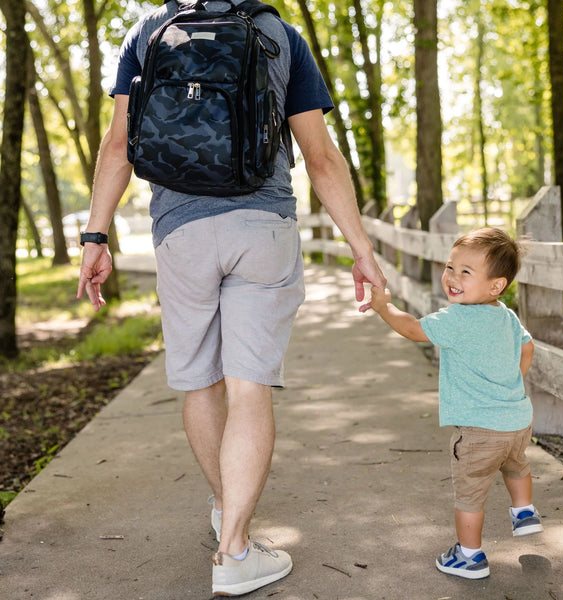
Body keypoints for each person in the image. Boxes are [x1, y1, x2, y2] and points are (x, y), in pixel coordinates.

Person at [76, 0, 385, 596]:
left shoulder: (148, 32)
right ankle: (235, 548)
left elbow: (118, 147)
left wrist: (96, 235)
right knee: (250, 388)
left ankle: (227, 510)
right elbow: (320, 158)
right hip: (262, 226)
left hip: (180, 231)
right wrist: (361, 249)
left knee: (199, 381)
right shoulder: (278, 33)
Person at [363, 227, 542, 580]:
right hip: (518, 420)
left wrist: (385, 307)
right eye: (450, 267)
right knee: (517, 465)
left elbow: (414, 329)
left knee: (470, 494)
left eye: (465, 272)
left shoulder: (458, 318)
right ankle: (524, 512)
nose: (452, 278)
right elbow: (528, 347)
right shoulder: (505, 315)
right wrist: (512, 380)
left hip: (478, 431)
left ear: (496, 285)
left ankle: (470, 556)